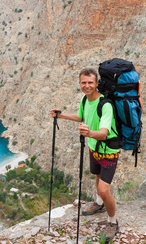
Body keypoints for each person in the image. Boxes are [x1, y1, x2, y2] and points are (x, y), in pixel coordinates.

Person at [49, 68, 120, 242]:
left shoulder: (106, 105)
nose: (87, 86)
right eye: (83, 82)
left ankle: (112, 221)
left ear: (97, 84)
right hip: (93, 148)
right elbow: (81, 117)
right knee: (96, 177)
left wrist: (89, 134)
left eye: (90, 82)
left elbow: (104, 133)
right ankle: (99, 203)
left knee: (104, 189)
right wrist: (61, 115)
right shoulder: (84, 100)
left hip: (108, 151)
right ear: (80, 83)